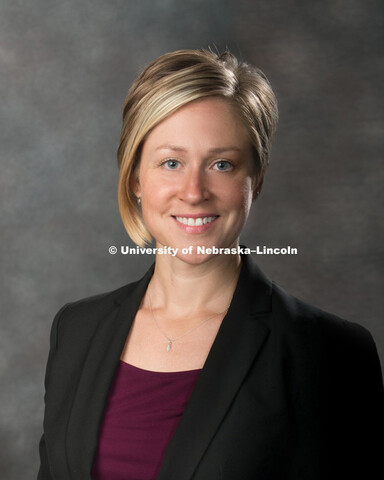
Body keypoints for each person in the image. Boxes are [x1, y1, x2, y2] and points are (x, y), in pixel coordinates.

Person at [37, 49, 384, 480]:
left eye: (222, 164)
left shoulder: (326, 352)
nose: (194, 191)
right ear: (135, 179)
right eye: (171, 163)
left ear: (256, 179)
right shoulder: (75, 330)